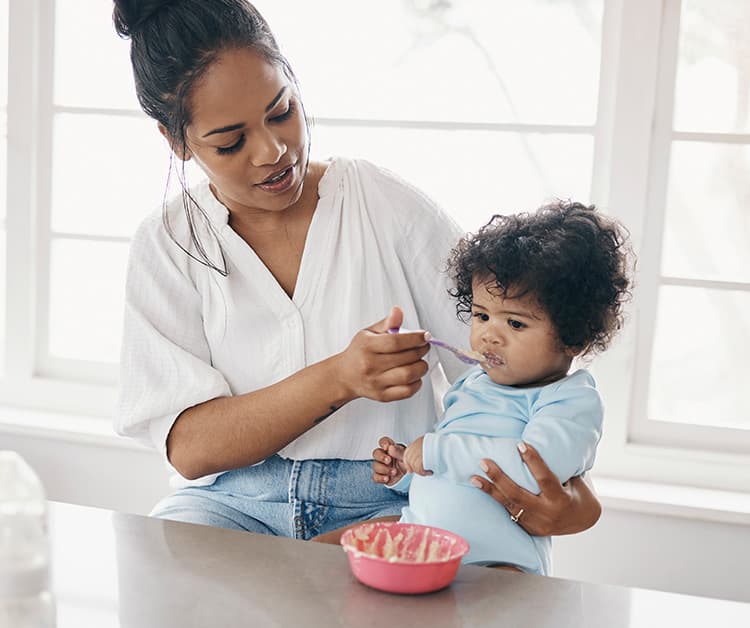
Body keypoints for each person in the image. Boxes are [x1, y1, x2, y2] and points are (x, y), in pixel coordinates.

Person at [112, 0, 601, 542]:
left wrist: (575, 499)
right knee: (157, 578)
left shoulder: (387, 208)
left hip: (391, 498)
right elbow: (191, 448)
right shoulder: (167, 244)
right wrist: (341, 377)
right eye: (230, 142)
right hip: (230, 503)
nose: (274, 151)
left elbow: (515, 366)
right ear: (175, 140)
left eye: (282, 112)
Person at [373, 201, 633, 574]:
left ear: (574, 337)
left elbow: (533, 469)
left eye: (515, 323)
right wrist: (407, 469)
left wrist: (435, 452)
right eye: (481, 315)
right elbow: (455, 471)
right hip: (425, 556)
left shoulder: (571, 398)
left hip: (500, 567)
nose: (489, 335)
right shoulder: (472, 383)